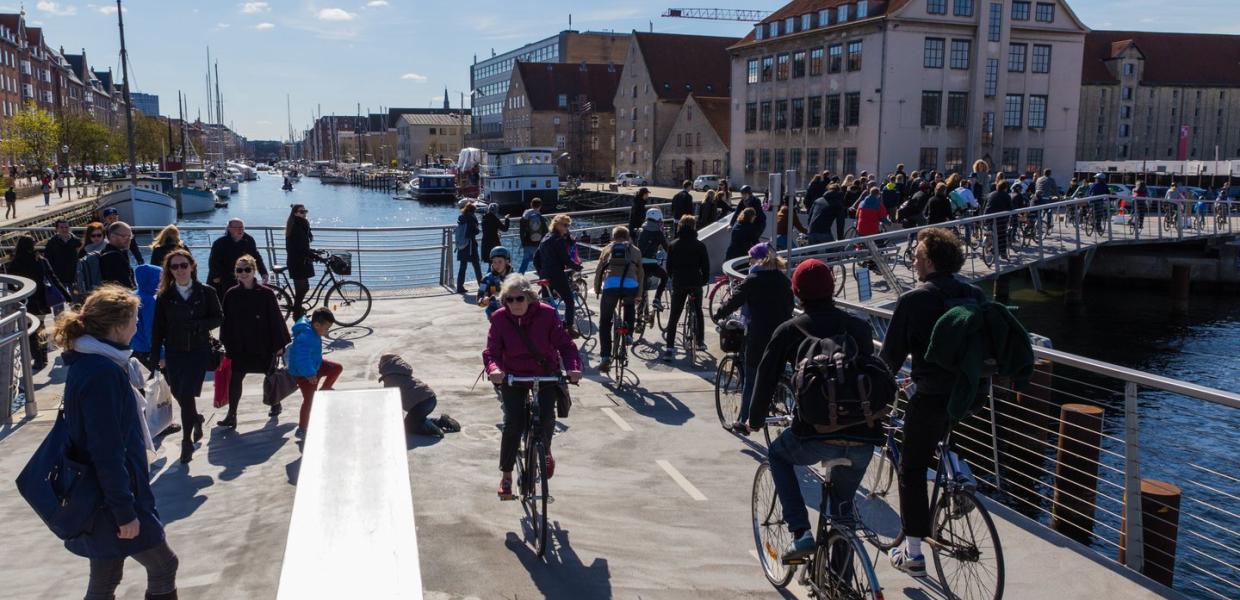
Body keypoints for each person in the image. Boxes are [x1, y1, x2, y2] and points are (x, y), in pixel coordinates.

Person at [747, 259, 880, 562]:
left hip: (813, 433)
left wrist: (754, 420)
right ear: (833, 288)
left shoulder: (789, 330)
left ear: (797, 293)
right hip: (863, 435)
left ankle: (800, 532)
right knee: (842, 511)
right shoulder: (858, 327)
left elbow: (766, 377)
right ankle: (842, 583)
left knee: (778, 455)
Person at [53, 286, 180, 600]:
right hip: (112, 499)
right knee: (163, 566)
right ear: (118, 326)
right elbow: (107, 449)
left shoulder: (92, 363)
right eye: (136, 319)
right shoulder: (103, 374)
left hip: (100, 498)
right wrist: (124, 511)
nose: (139, 326)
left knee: (105, 580)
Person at [880, 227, 985, 577]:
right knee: (946, 431)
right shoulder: (974, 294)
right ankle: (960, 470)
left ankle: (913, 554)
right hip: (970, 393)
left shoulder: (913, 300)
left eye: (917, 255)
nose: (913, 259)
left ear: (929, 261)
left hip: (931, 395)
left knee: (912, 468)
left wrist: (874, 390)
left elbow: (890, 357)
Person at [482, 274, 582, 499]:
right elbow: (491, 352)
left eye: (519, 298)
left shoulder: (547, 315)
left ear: (529, 297)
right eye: (509, 299)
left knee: (547, 418)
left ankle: (544, 450)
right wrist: (495, 370)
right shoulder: (499, 319)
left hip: (545, 375)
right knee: (513, 424)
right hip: (512, 377)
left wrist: (573, 368)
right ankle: (507, 476)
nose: (515, 304)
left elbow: (566, 345)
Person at [149, 249, 222, 463]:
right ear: (169, 270)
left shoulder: (206, 292)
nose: (179, 270)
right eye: (174, 266)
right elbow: (157, 329)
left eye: (183, 265)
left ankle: (186, 442)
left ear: (192, 266)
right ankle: (197, 420)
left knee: (187, 394)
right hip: (174, 351)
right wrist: (154, 358)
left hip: (197, 351)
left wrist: (197, 326)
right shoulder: (165, 296)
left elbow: (218, 318)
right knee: (179, 394)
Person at [712, 242, 794, 431]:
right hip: (782, 335)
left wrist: (719, 313)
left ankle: (745, 420)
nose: (749, 262)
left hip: (759, 336)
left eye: (750, 258)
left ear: (758, 259)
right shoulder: (783, 280)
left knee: (751, 378)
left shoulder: (754, 279)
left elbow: (735, 300)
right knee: (776, 371)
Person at [221, 254, 291, 423]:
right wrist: (226, 344)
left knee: (270, 375)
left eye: (247, 269)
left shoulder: (266, 294)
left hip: (263, 344)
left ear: (254, 271)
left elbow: (276, 319)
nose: (243, 273)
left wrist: (279, 344)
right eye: (240, 270)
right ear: (236, 272)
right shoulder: (231, 294)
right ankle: (232, 414)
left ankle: (275, 403)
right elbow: (226, 321)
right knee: (235, 378)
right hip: (240, 345)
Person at [2, 235, 71, 370]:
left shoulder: (14, 263)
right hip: (41, 300)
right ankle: (44, 357)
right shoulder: (41, 260)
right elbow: (53, 278)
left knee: (30, 331)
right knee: (41, 327)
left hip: (25, 302)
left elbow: (10, 285)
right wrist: (66, 294)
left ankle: (38, 359)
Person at [593, 226, 644, 372]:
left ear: (613, 237)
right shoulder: (635, 250)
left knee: (605, 321)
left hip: (611, 287)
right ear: (628, 237)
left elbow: (599, 271)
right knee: (629, 306)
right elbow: (640, 274)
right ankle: (628, 334)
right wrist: (639, 294)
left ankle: (605, 357)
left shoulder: (607, 249)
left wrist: (597, 289)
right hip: (630, 286)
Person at [288, 307, 344, 437]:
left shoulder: (313, 330)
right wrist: (309, 374)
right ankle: (302, 428)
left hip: (315, 365)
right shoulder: (305, 337)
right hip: (303, 374)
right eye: (327, 328)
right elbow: (301, 358)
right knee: (310, 400)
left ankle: (325, 390)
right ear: (317, 324)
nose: (327, 331)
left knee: (337, 368)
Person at [662, 215, 711, 361]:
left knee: (674, 315)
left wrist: (673, 277)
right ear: (694, 226)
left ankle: (669, 348)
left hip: (679, 282)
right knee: (698, 310)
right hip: (695, 282)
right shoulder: (700, 245)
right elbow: (706, 267)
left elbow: (668, 267)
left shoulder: (673, 244)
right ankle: (700, 341)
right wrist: (703, 281)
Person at [378, 353, 459, 436]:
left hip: (421, 403)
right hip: (430, 398)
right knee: (417, 420)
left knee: (409, 426)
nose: (378, 365)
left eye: (380, 362)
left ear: (386, 363)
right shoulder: (399, 371)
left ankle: (433, 429)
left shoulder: (390, 378)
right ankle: (441, 422)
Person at [534, 213, 582, 338]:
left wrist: (541, 272)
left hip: (544, 274)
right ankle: (570, 328)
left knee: (546, 304)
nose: (567, 228)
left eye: (568, 225)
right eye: (565, 225)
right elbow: (565, 260)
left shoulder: (545, 237)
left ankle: (545, 329)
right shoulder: (558, 240)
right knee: (569, 301)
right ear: (557, 225)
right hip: (556, 274)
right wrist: (577, 267)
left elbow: (536, 258)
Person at [206, 218, 269, 299]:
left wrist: (263, 272)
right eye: (237, 227)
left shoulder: (248, 240)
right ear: (229, 229)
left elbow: (256, 257)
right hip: (223, 278)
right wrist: (216, 277)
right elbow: (213, 262)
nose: (240, 230)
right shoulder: (220, 243)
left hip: (242, 275)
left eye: (242, 227)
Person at [284, 204, 314, 321]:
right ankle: (297, 315)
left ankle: (298, 309)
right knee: (301, 290)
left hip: (300, 261)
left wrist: (314, 252)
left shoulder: (301, 224)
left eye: (305, 211)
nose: (304, 213)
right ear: (295, 213)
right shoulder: (296, 227)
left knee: (304, 288)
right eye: (301, 212)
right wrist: (313, 255)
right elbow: (300, 248)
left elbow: (302, 246)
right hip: (297, 263)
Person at [636, 207, 669, 309]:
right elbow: (667, 248)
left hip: (639, 264)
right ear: (658, 219)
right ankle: (657, 299)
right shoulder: (658, 233)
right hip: (651, 264)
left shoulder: (641, 230)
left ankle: (640, 311)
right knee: (664, 277)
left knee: (642, 285)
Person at [131, 263, 161, 369]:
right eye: (159, 280)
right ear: (153, 280)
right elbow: (151, 329)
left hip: (133, 347)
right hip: (146, 349)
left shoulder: (133, 294)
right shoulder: (149, 301)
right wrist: (160, 353)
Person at [454, 201, 484, 294]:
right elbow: (475, 231)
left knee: (463, 266)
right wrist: (477, 229)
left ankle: (459, 287)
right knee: (476, 266)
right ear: (473, 210)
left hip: (462, 245)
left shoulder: (461, 218)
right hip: (470, 246)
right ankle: (482, 287)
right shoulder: (471, 218)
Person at [43, 219, 81, 289]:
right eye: (61, 227)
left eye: (66, 227)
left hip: (74, 275)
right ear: (57, 229)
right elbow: (47, 258)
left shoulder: (76, 241)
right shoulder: (51, 242)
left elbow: (80, 256)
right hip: (58, 276)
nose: (64, 230)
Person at [477, 246, 514, 318]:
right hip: (494, 313)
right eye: (494, 262)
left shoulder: (515, 277)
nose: (497, 265)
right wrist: (483, 301)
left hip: (513, 311)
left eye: (500, 261)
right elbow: (479, 298)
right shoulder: (487, 279)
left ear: (507, 261)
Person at [99, 222, 137, 289]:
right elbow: (125, 285)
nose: (128, 239)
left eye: (130, 236)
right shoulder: (113, 257)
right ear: (112, 236)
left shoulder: (106, 251)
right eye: (124, 236)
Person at [984, 180, 1014, 257]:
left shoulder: (990, 194)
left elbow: (985, 206)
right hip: (1000, 219)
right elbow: (1010, 208)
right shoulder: (1006, 195)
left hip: (988, 217)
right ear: (1005, 188)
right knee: (1002, 235)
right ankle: (1003, 253)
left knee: (990, 232)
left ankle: (990, 247)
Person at [517, 198, 547, 274]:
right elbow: (545, 231)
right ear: (540, 206)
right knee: (540, 261)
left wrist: (523, 242)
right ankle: (543, 277)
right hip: (538, 243)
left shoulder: (525, 216)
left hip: (527, 242)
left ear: (531, 204)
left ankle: (519, 278)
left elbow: (521, 231)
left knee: (525, 262)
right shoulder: (540, 217)